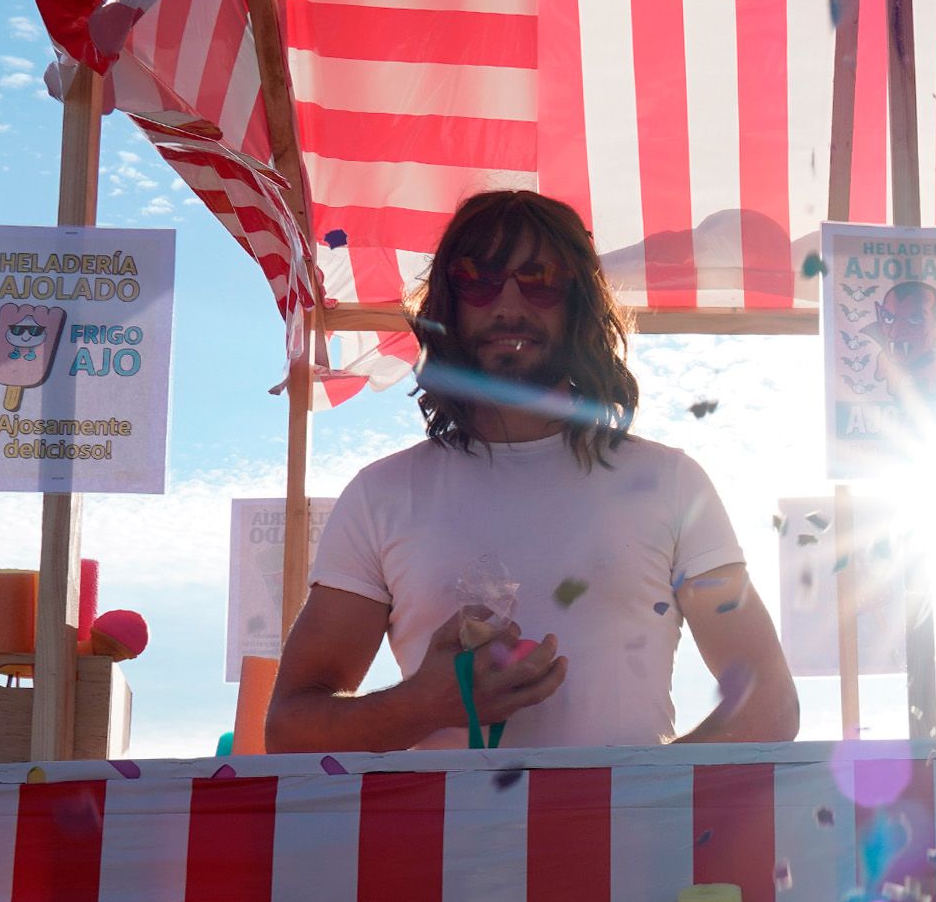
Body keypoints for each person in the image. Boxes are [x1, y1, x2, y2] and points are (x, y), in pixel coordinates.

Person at [268, 190, 801, 752]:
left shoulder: (671, 483)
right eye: (477, 278)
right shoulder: (381, 495)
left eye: (541, 278)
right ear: (448, 304)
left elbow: (769, 704)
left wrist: (629, 794)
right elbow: (288, 730)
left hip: (631, 816)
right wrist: (426, 704)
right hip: (450, 819)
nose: (508, 304)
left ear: (579, 304)